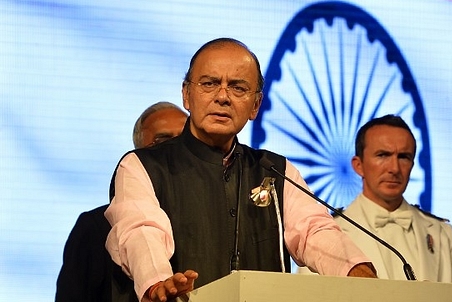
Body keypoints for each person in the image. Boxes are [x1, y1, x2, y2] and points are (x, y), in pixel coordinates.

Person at [105, 38, 377, 302]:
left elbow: (314, 230)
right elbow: (139, 231)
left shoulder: (275, 170)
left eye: (238, 88)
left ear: (255, 106)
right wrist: (157, 283)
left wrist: (355, 270)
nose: (223, 97)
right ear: (187, 95)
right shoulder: (142, 165)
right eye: (209, 84)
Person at [314, 114, 452, 302]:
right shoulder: (328, 233)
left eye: (404, 157)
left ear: (413, 165)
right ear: (359, 165)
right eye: (383, 155)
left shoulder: (441, 233)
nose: (394, 168)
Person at [55, 102, 188, 302]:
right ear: (139, 152)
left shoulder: (212, 215)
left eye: (184, 140)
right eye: (163, 140)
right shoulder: (94, 226)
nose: (175, 149)